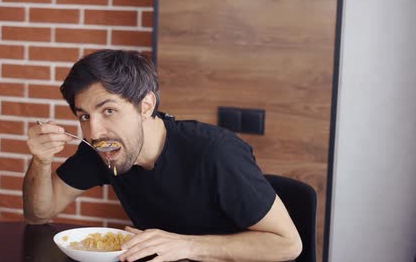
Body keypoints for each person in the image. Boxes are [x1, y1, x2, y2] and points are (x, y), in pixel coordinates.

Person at [23, 50, 302, 262]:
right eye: (84, 116)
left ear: (146, 106)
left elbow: (287, 244)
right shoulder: (101, 150)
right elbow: (39, 215)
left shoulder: (215, 152)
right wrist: (41, 161)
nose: (94, 131)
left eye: (108, 110)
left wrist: (188, 245)